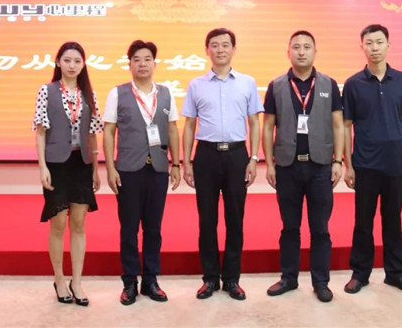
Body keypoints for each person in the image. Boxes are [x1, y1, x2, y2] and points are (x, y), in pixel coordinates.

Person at [181, 28, 263, 301]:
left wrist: (254, 158)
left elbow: (254, 122)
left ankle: (231, 279)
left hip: (237, 155)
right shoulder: (196, 85)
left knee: (235, 220)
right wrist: (187, 162)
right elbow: (189, 124)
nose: (220, 50)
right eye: (214, 45)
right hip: (206, 155)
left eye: (225, 45)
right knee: (207, 220)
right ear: (207, 50)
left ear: (234, 50)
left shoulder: (247, 82)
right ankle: (209, 278)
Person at [262, 30, 344, 303]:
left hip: (320, 167)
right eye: (296, 47)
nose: (301, 51)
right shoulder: (276, 85)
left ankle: (321, 282)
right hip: (287, 167)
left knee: (320, 228)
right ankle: (289, 278)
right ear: (288, 52)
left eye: (307, 47)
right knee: (289, 227)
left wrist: (338, 161)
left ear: (315, 52)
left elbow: (338, 125)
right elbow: (268, 126)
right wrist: (269, 164)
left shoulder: (329, 84)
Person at [342, 24, 402, 294]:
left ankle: (395, 274)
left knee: (393, 220)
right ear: (362, 47)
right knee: (363, 222)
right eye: (369, 43)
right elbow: (346, 126)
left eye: (379, 42)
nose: (374, 48)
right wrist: (348, 165)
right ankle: (360, 274)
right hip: (365, 164)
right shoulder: (353, 84)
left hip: (396, 163)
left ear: (388, 45)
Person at [103, 40, 181, 306]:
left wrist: (176, 164)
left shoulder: (166, 93)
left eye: (147, 59)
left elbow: (172, 128)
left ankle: (150, 280)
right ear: (130, 64)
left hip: (158, 169)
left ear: (154, 63)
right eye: (137, 59)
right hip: (128, 170)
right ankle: (129, 282)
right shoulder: (117, 93)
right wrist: (110, 168)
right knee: (128, 229)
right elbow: (109, 131)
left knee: (153, 229)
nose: (142, 64)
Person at [32, 41, 103, 306]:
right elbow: (41, 131)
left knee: (79, 224)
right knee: (59, 223)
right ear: (58, 62)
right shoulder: (47, 91)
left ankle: (77, 281)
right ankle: (59, 279)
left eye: (77, 61)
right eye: (67, 60)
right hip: (56, 165)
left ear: (83, 65)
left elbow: (93, 135)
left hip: (81, 164)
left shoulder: (89, 94)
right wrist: (42, 166)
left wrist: (95, 168)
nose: (72, 65)